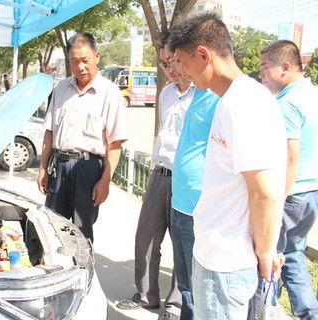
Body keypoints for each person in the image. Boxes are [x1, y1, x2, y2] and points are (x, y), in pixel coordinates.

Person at [168, 13, 287, 319]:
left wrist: (264, 252)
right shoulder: (232, 99)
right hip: (216, 255)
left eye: (182, 62)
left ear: (204, 55)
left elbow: (265, 194)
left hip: (227, 264)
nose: (182, 72)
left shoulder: (244, 104)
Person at [117, 36, 194, 317]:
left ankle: (176, 303)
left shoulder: (204, 94)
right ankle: (146, 295)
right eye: (163, 64)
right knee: (146, 236)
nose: (170, 69)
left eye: (173, 61)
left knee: (182, 242)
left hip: (186, 179)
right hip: (159, 174)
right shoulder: (167, 93)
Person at [36, 32, 128, 242]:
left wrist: (105, 180)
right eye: (74, 61)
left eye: (85, 60)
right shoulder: (61, 88)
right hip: (59, 166)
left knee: (81, 233)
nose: (80, 67)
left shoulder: (110, 93)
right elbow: (50, 133)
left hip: (88, 171)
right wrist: (43, 168)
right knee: (52, 228)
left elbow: (115, 143)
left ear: (97, 56)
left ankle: (81, 274)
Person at [252, 40, 318, 320]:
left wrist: (277, 201)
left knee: (273, 259)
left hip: (291, 194)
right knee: (292, 255)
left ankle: (280, 311)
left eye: (265, 67)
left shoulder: (288, 103)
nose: (261, 74)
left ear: (286, 66)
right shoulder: (313, 94)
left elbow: (291, 159)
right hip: (311, 191)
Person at [164, 38, 221, 320]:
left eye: (179, 61)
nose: (176, 68)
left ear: (202, 56)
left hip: (201, 210)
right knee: (186, 286)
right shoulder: (197, 93)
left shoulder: (224, 99)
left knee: (200, 293)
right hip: (180, 204)